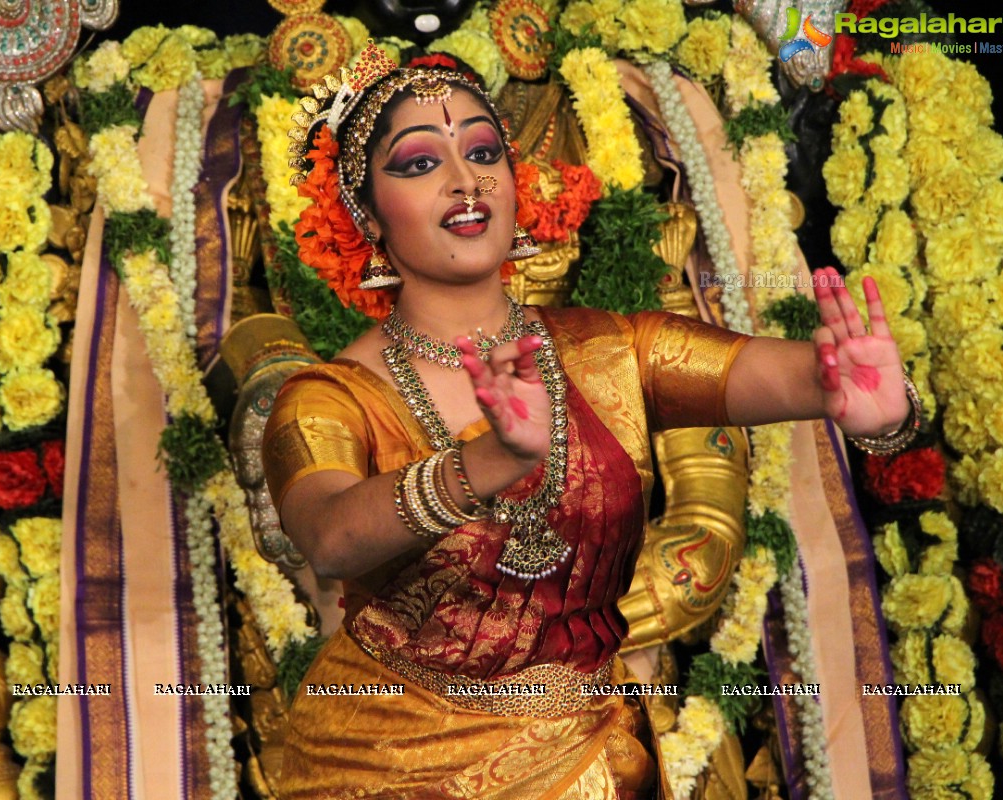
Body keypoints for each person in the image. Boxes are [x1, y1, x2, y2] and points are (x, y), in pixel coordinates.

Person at [262, 43, 917, 799]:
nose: (464, 178)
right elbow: (330, 537)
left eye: (482, 150)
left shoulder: (612, 352)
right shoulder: (328, 396)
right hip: (382, 765)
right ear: (366, 214)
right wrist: (489, 462)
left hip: (586, 758)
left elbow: (793, 374)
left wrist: (861, 399)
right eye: (418, 163)